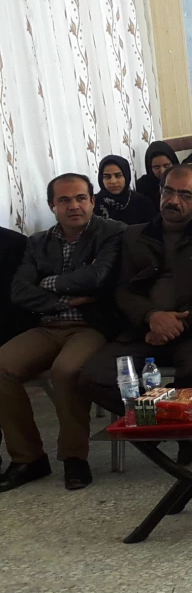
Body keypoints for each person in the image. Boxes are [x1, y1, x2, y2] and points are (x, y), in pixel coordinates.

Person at [1, 174, 126, 491]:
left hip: (92, 326)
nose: (74, 206)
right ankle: (28, 458)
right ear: (52, 206)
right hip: (49, 324)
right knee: (2, 367)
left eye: (81, 198)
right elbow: (19, 291)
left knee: (66, 370)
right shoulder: (38, 242)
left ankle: (74, 458)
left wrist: (48, 282)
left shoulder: (112, 232)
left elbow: (98, 276)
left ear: (92, 201)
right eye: (65, 200)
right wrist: (62, 300)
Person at [79, 165, 192, 416]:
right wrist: (151, 316)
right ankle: (158, 420)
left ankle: (177, 423)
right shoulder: (135, 234)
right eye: (168, 191)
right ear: (159, 192)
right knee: (93, 377)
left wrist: (180, 323)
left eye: (185, 195)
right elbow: (124, 289)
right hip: (145, 330)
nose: (173, 200)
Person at [95, 155, 155, 225]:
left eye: (118, 175)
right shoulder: (93, 204)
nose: (113, 181)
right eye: (107, 177)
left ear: (126, 176)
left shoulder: (143, 203)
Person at [134, 141, 179, 208]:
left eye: (166, 166)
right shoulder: (142, 187)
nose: (162, 171)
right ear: (150, 168)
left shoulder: (183, 182)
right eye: (156, 167)